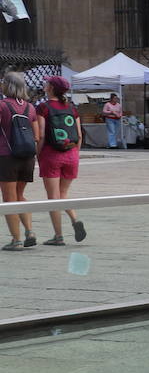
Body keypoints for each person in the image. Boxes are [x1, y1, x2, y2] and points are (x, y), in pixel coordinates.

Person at [34, 76, 87, 247]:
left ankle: (58, 236)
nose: (44, 84)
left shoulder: (43, 107)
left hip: (51, 154)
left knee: (53, 197)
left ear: (50, 88)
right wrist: (75, 154)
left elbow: (41, 135)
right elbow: (79, 135)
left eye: (46, 83)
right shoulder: (72, 108)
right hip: (71, 154)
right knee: (63, 194)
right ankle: (74, 219)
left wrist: (38, 154)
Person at [0, 71, 39, 250]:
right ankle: (29, 231)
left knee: (9, 199)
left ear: (7, 85)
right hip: (27, 157)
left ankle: (16, 240)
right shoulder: (30, 108)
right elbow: (37, 136)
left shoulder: (1, 106)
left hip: (7, 156)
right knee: (20, 195)